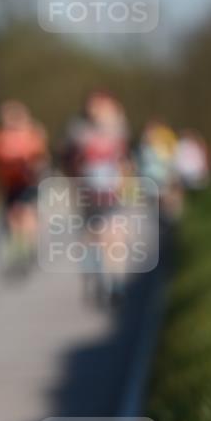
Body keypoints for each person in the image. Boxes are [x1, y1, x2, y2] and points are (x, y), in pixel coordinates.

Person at [61, 90, 132, 306]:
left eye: (103, 106)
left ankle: (115, 283)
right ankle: (95, 277)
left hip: (112, 193)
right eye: (94, 106)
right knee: (92, 238)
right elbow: (67, 161)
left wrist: (126, 182)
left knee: (114, 236)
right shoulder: (77, 132)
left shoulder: (121, 129)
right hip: (87, 193)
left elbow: (126, 160)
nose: (98, 111)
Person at [0, 100, 50, 275]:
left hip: (28, 183)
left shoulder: (33, 135)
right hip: (9, 184)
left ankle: (29, 247)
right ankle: (19, 249)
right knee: (13, 219)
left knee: (27, 215)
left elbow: (41, 159)